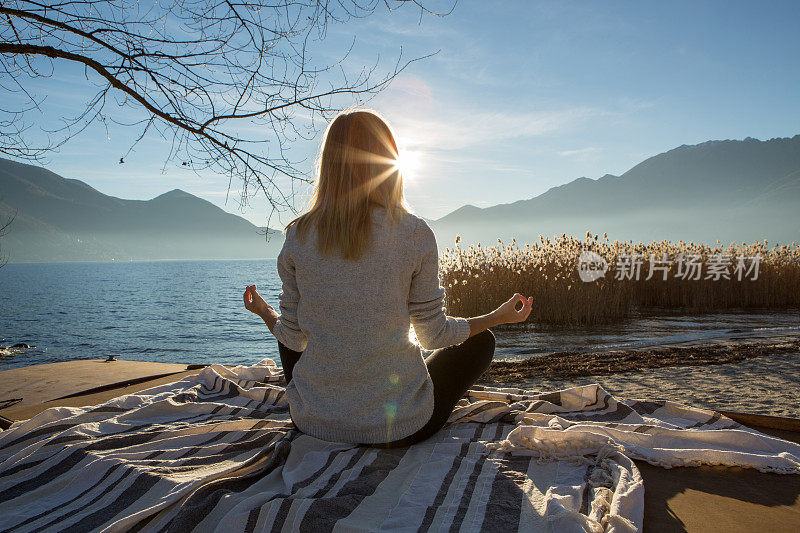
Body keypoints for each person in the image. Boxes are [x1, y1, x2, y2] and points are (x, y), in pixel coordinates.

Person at [243, 109, 533, 449]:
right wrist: (499, 316)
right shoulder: (414, 233)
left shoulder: (297, 236)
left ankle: (336, 402)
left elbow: (292, 339)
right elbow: (432, 334)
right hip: (401, 428)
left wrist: (266, 313)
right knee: (482, 342)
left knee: (298, 328)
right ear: (389, 162)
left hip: (312, 423)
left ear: (328, 166)